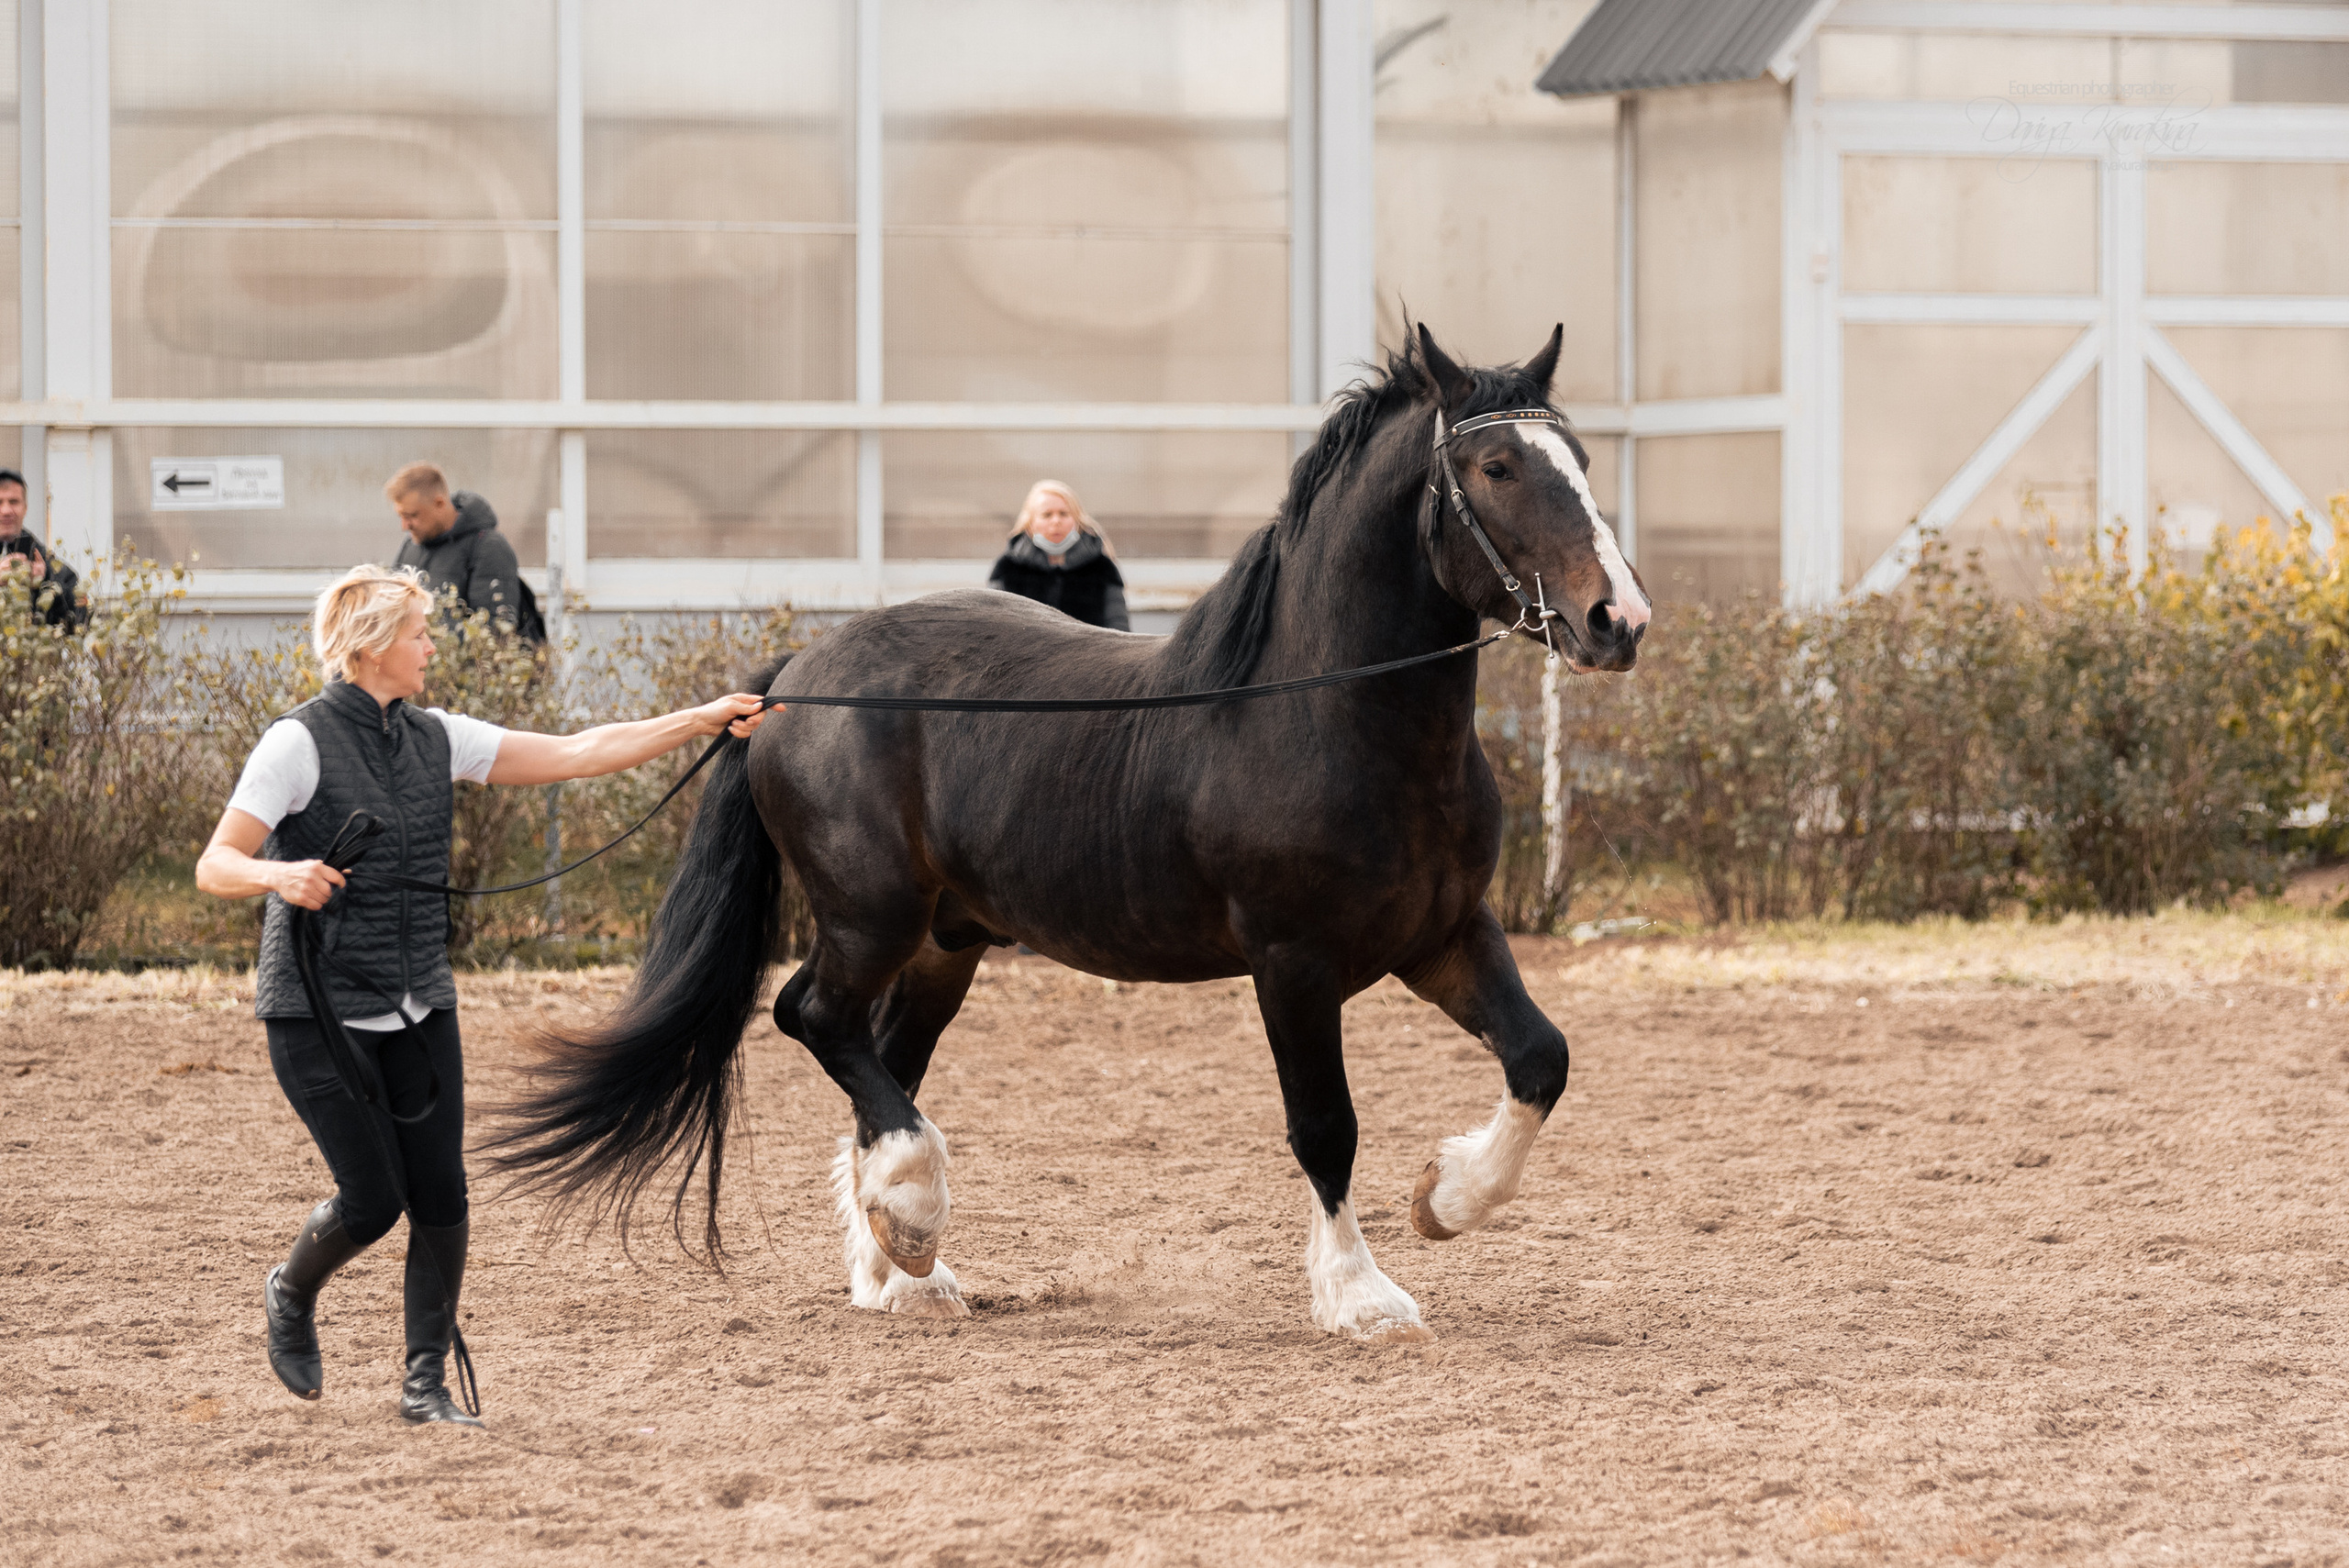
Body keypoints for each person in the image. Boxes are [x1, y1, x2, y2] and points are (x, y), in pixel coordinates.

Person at [193, 563, 771, 1427]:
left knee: (442, 1196)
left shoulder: (437, 736)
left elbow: (579, 752)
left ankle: (424, 1384)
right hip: (316, 1009)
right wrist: (279, 873)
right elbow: (216, 864)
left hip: (421, 999)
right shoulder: (297, 743)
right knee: (372, 1201)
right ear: (374, 644)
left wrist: (702, 720)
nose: (432, 647)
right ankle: (290, 1287)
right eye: (420, 633)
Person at [385, 463, 543, 639]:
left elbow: (493, 634)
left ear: (439, 503)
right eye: (401, 516)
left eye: (412, 516)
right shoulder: (411, 545)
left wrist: (423, 638)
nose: (405, 526)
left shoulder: (488, 548)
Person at [985, 479, 1130, 631]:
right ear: (1030, 523)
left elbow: (1120, 633)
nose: (1056, 521)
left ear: (1076, 520)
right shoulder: (1007, 569)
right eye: (1046, 515)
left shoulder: (1102, 568)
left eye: (1064, 514)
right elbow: (993, 632)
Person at [0, 468, 85, 628]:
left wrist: (45, 583)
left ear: (25, 508)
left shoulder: (44, 561)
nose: (5, 511)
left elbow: (80, 618)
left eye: (13, 502)